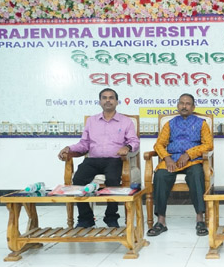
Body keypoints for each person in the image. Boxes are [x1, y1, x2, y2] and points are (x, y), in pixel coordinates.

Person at [58, 88, 139, 228]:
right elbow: (84, 144)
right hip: (93, 160)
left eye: (111, 98)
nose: (108, 100)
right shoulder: (92, 121)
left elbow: (134, 141)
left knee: (113, 180)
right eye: (104, 98)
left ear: (117, 101)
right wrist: (69, 148)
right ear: (100, 102)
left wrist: (127, 147)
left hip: (114, 160)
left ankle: (111, 217)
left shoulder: (125, 121)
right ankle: (86, 218)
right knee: (78, 180)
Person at [147, 93, 213, 237]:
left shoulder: (201, 123)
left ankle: (200, 219)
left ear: (193, 107)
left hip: (192, 160)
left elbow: (208, 144)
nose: (184, 106)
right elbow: (159, 144)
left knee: (197, 174)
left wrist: (189, 154)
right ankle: (161, 221)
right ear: (177, 105)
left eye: (188, 103)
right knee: (160, 175)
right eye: (182, 103)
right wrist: (167, 158)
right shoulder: (169, 124)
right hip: (172, 160)